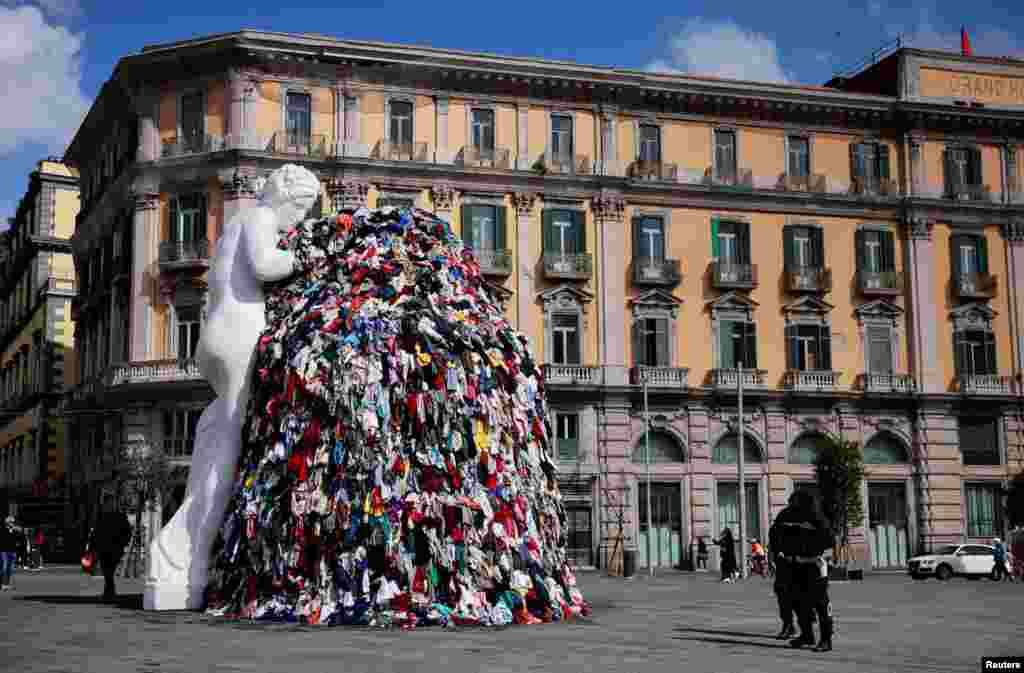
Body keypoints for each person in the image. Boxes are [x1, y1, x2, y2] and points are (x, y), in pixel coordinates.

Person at [774, 489, 835, 652]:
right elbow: (775, 534)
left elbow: (830, 541)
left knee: (821, 603)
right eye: (791, 501)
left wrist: (824, 558)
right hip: (792, 565)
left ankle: (826, 639)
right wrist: (777, 553)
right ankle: (807, 635)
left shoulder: (817, 517)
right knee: (798, 602)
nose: (791, 504)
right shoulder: (785, 515)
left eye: (795, 501)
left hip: (814, 565)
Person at [92, 494, 133, 603]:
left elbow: (127, 532)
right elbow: (96, 532)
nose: (108, 505)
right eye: (107, 503)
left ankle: (109, 594)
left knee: (109, 571)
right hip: (103, 547)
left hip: (115, 548)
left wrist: (123, 543)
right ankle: (109, 593)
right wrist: (94, 545)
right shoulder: (101, 515)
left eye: (110, 503)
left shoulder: (120, 516)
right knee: (107, 572)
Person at [0, 516, 19, 591]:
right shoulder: (2, 530)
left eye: (13, 522)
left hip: (13, 551)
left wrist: (15, 530)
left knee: (10, 569)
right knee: (3, 567)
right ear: (7, 523)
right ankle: (2, 584)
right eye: (11, 522)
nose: (12, 523)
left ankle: (7, 584)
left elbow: (18, 538)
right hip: (3, 551)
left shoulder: (15, 531)